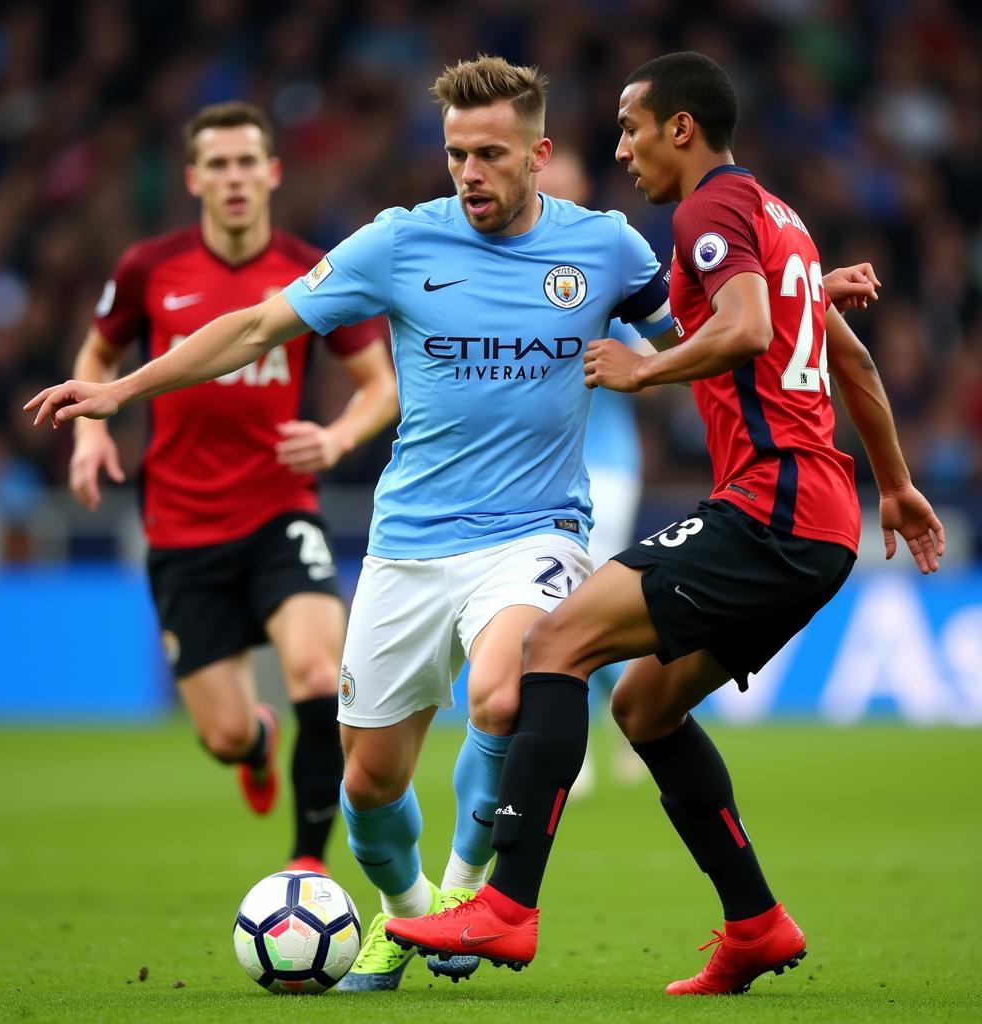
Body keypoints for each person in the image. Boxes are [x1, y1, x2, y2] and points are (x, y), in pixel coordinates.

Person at [25, 56, 679, 992]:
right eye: (456, 154)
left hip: (535, 530)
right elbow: (255, 328)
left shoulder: (607, 247)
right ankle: (408, 917)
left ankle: (459, 906)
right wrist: (119, 390)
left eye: (491, 154)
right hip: (410, 542)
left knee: (507, 690)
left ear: (539, 154)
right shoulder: (398, 244)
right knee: (366, 784)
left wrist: (799, 301)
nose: (470, 173)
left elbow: (712, 326)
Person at [383, 51, 944, 997]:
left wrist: (644, 370)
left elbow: (751, 331)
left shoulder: (707, 211)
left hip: (766, 507)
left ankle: (506, 906)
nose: (623, 147)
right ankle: (757, 924)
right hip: (821, 523)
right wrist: (892, 483)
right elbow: (848, 362)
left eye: (632, 127)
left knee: (554, 646)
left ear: (681, 128)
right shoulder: (780, 220)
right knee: (645, 705)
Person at [65, 101, 396, 875]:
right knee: (221, 739)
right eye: (218, 164)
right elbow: (96, 353)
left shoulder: (314, 270)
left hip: (281, 510)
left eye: (248, 161)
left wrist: (338, 437)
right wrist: (89, 429)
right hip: (181, 530)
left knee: (319, 674)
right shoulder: (148, 268)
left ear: (273, 172)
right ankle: (255, 742)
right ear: (193, 179)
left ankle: (306, 868)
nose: (235, 177)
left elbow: (380, 385)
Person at [537, 149, 650, 799]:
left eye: (561, 186)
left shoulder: (607, 266)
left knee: (577, 597)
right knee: (555, 602)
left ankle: (583, 744)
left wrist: (613, 359)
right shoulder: (515, 269)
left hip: (605, 463)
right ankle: (632, 715)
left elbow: (648, 366)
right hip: (539, 466)